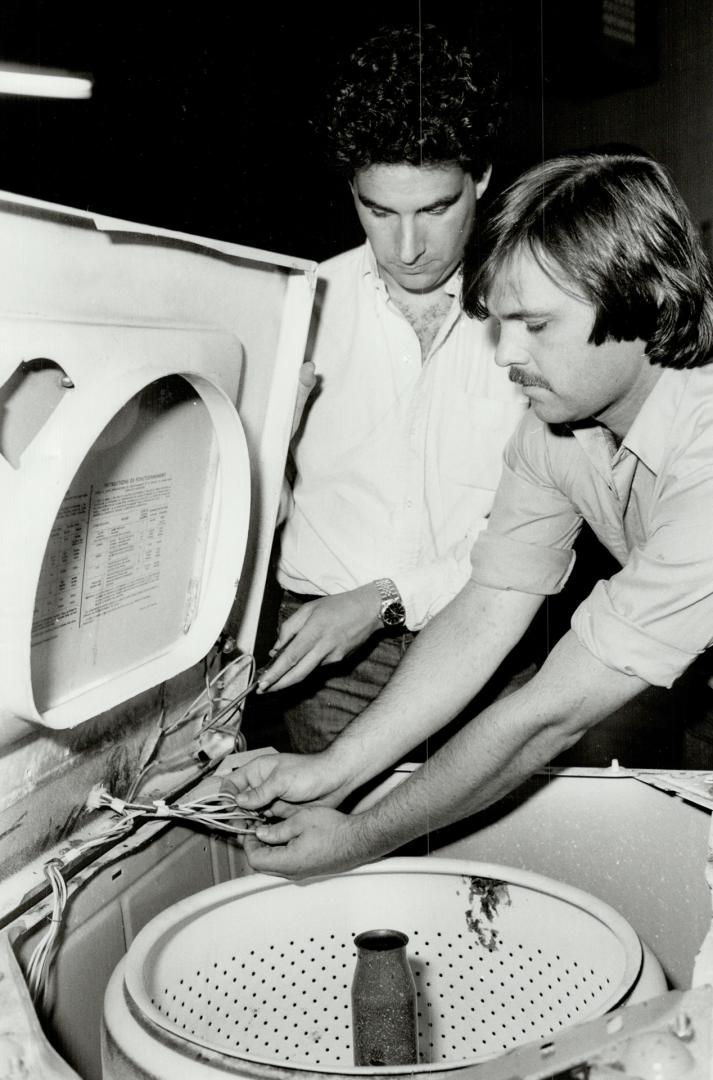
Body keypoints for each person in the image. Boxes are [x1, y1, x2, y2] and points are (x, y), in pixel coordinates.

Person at [228, 151, 713, 878]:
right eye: (499, 321)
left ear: (641, 301)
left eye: (535, 325)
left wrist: (358, 838)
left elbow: (547, 714)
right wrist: (336, 768)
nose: (504, 355)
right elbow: (488, 605)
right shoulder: (555, 433)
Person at [256, 25, 527, 753]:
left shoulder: (537, 313)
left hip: (486, 640)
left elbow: (537, 526)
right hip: (326, 661)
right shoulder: (295, 308)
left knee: (483, 860)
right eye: (378, 210)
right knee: (342, 857)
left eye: (434, 209)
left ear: (481, 179)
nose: (405, 248)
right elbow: (251, 512)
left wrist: (382, 600)